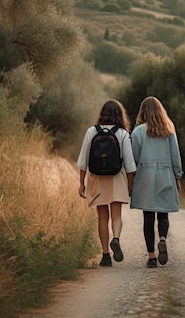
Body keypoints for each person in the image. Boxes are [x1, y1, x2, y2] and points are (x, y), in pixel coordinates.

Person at [77, 99, 136, 267]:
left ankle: (105, 255)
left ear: (102, 114)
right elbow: (130, 164)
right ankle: (116, 238)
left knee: (102, 216)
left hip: (96, 177)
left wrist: (81, 183)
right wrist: (130, 184)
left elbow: (83, 161)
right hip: (117, 177)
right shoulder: (123, 134)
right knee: (116, 214)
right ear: (120, 115)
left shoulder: (91, 132)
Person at [130, 96, 183, 268]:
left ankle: (152, 258)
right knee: (163, 213)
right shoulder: (169, 129)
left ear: (143, 111)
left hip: (145, 175)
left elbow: (134, 158)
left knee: (148, 217)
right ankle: (162, 238)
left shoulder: (138, 132)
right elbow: (176, 155)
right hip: (165, 174)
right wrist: (178, 176)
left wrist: (131, 180)